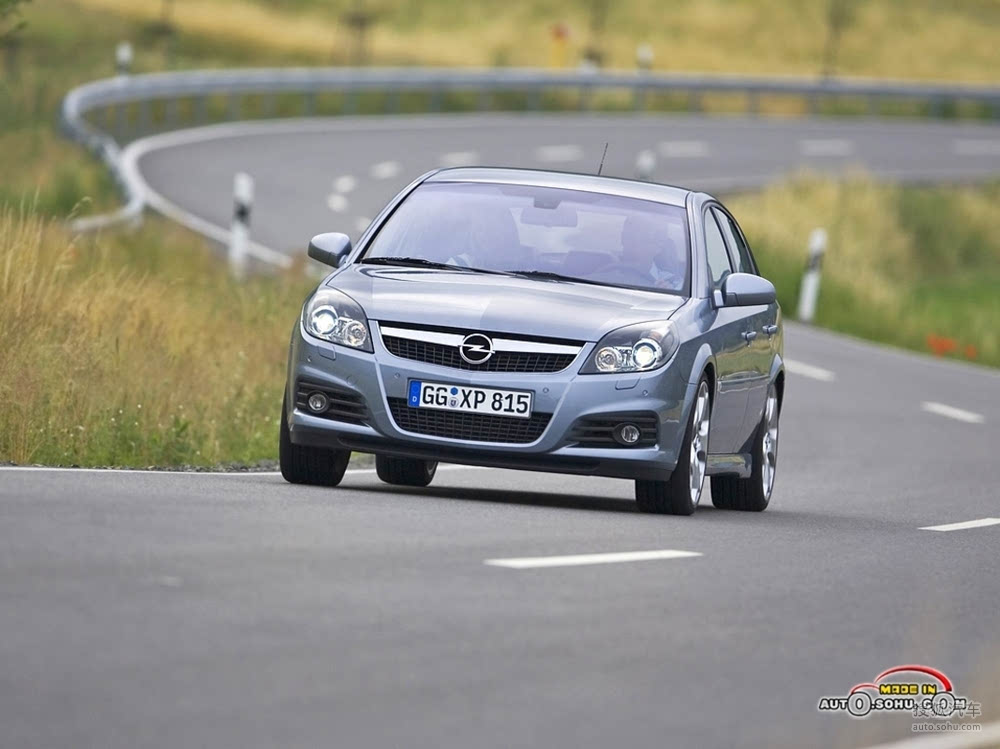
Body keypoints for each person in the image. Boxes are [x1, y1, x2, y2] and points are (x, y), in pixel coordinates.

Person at [618, 213, 687, 290]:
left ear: (658, 247)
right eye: (630, 237)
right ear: (622, 238)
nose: (633, 243)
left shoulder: (674, 284)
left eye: (643, 238)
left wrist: (665, 293)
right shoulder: (608, 272)